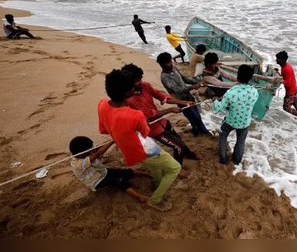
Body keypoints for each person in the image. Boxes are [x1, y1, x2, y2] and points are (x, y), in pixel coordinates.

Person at [98, 69, 181, 212]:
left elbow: (103, 129)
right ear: (127, 92)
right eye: (132, 86)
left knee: (154, 165)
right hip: (144, 149)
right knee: (175, 168)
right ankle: (155, 200)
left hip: (128, 150)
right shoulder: (135, 115)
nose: (135, 88)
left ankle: (157, 182)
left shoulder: (103, 104)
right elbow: (146, 132)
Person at [121, 63, 201, 166]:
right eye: (137, 81)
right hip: (152, 129)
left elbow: (163, 97)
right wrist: (171, 110)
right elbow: (150, 115)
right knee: (177, 147)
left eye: (140, 79)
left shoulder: (146, 86)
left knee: (179, 140)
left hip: (162, 122)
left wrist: (184, 103)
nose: (140, 82)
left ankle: (189, 154)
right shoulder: (130, 99)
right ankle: (177, 168)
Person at [70, 136, 150, 201]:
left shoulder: (84, 153)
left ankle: (146, 174)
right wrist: (112, 142)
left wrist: (112, 138)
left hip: (102, 171)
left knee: (123, 172)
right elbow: (98, 153)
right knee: (119, 181)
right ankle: (139, 197)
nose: (91, 151)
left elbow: (97, 148)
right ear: (82, 152)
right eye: (89, 150)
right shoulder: (77, 163)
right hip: (97, 181)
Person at [214, 65, 259, 165]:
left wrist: (217, 101)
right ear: (250, 78)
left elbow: (219, 108)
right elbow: (247, 104)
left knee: (223, 135)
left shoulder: (230, 92)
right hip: (245, 122)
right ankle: (237, 160)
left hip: (231, 121)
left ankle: (223, 159)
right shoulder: (254, 91)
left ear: (237, 77)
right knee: (241, 141)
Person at [156, 52, 209, 136]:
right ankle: (200, 131)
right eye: (168, 62)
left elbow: (184, 79)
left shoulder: (174, 69)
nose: (171, 63)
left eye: (170, 61)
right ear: (162, 64)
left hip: (188, 96)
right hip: (181, 100)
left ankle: (201, 130)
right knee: (192, 116)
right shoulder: (165, 77)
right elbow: (178, 90)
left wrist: (197, 82)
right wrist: (193, 87)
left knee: (197, 114)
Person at [275, 51, 297, 124]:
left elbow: (288, 83)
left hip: (290, 91)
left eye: (278, 59)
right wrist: (279, 74)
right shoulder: (284, 67)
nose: (276, 60)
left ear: (283, 60)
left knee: (286, 107)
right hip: (294, 89)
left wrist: (280, 80)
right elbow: (286, 78)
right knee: (295, 103)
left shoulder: (286, 69)